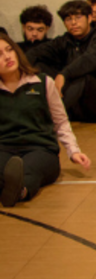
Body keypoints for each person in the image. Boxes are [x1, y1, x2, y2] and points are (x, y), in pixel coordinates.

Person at [0, 34, 91, 207]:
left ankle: (20, 192)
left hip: (40, 148)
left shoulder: (42, 82)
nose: (7, 57)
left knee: (28, 171)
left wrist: (73, 151)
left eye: (9, 50)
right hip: (5, 148)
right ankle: (8, 189)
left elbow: (61, 122)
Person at [26, 0, 96, 123]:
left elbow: (87, 61)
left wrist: (64, 74)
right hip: (74, 105)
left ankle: (51, 116)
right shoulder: (64, 40)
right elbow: (35, 53)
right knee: (38, 66)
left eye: (78, 18)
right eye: (68, 19)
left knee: (84, 78)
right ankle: (28, 111)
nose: (74, 23)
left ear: (89, 18)